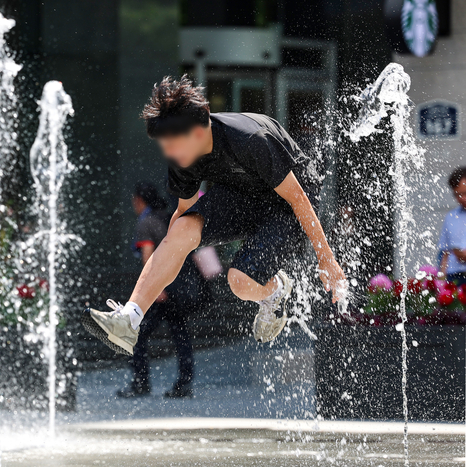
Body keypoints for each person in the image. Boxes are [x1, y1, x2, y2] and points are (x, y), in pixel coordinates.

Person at [82, 75, 346, 357]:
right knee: (182, 229)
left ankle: (275, 290)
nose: (168, 152)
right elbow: (184, 214)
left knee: (239, 282)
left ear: (198, 132)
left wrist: (326, 257)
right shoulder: (182, 156)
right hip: (239, 196)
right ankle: (129, 320)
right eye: (163, 144)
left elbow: (298, 199)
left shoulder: (250, 139)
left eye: (173, 144)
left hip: (285, 205)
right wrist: (171, 254)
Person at [117, 181, 194, 398]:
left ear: (139, 200)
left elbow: (148, 257)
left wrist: (154, 289)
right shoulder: (168, 218)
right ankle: (184, 384)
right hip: (178, 285)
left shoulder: (146, 222)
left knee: (136, 334)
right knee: (181, 335)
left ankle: (140, 383)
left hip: (161, 291)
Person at [438, 166, 466, 286]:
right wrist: (441, 283)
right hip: (454, 278)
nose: (462, 199)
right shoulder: (451, 216)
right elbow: (445, 253)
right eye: (457, 195)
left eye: (465, 193)